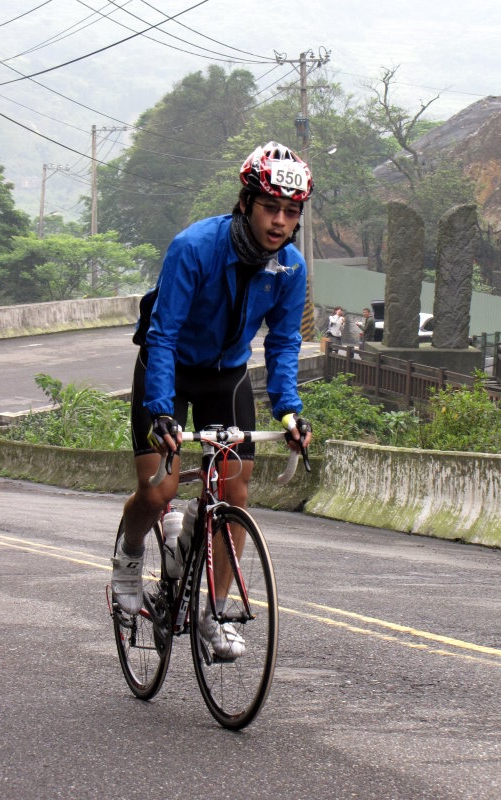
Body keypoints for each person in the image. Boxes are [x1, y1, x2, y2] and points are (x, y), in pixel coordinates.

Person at [111, 141, 313, 658]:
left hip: (227, 377)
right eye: (271, 207)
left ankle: (214, 612)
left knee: (235, 494)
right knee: (158, 492)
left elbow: (284, 341)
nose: (279, 221)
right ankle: (130, 555)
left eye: (291, 213)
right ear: (245, 203)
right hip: (170, 372)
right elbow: (163, 334)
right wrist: (160, 409)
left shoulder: (290, 268)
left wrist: (288, 411)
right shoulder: (194, 247)